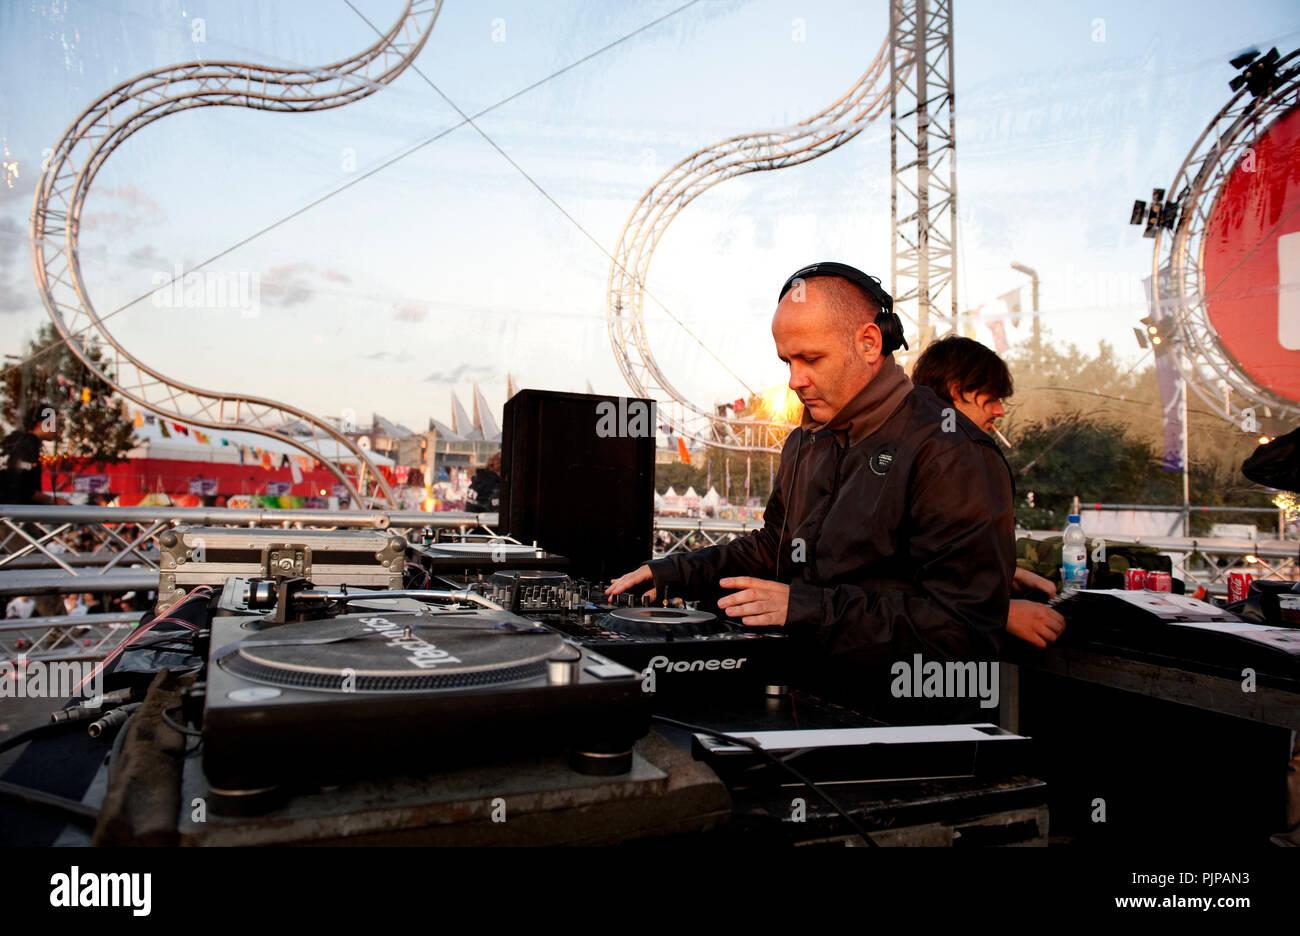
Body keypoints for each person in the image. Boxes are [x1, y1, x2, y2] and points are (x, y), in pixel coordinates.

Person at [607, 262, 1016, 720]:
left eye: (811, 359)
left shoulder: (951, 452)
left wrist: (804, 608)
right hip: (804, 704)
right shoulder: (807, 440)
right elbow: (774, 548)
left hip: (897, 733)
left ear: (869, 342)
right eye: (787, 361)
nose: (794, 380)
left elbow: (961, 632)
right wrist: (677, 572)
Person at [911, 335, 1067, 649]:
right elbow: (893, 576)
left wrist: (1005, 574)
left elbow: (930, 557)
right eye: (991, 397)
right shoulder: (950, 457)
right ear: (957, 390)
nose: (999, 411)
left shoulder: (916, 447)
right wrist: (998, 613)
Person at [1, 403, 60, 505]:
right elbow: (21, 486)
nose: (57, 429)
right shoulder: (28, 445)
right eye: (54, 424)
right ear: (41, 423)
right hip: (17, 512)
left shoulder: (19, 442)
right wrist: (51, 500)